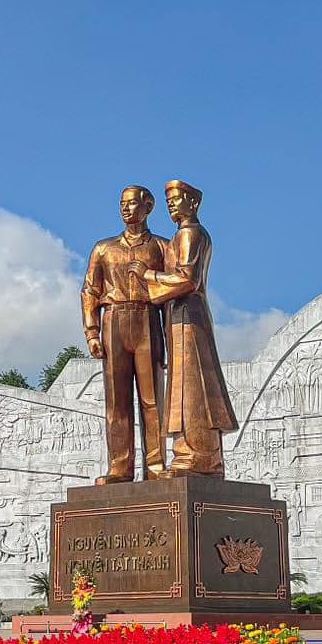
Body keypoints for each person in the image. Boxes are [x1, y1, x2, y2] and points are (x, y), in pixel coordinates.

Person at [138, 180, 239, 476]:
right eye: (168, 200)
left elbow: (187, 280)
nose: (171, 205)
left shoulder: (189, 234)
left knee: (192, 383)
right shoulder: (183, 235)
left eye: (176, 199)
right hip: (180, 315)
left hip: (188, 315)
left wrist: (149, 276)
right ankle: (194, 452)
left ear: (192, 203)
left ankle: (198, 454)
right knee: (184, 382)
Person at [81, 185, 170, 483]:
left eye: (132, 203)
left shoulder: (161, 247)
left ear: (148, 207)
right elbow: (90, 291)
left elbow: (173, 292)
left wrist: (172, 342)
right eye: (122, 203)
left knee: (152, 399)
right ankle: (120, 467)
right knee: (117, 402)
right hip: (114, 320)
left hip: (148, 319)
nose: (125, 208)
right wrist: (92, 332)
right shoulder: (104, 248)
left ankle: (156, 466)